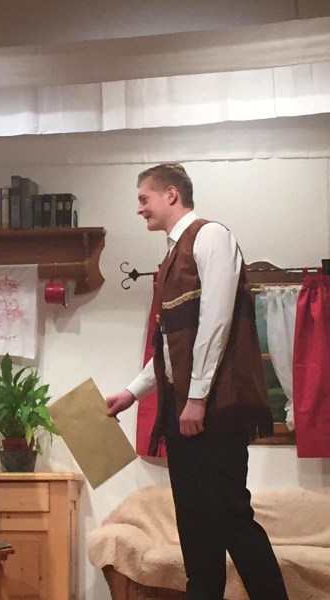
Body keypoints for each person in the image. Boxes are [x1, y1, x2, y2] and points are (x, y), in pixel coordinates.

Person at [106, 164, 288, 600]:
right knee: (195, 523)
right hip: (184, 410)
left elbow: (216, 323)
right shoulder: (171, 255)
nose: (139, 208)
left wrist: (197, 398)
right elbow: (170, 347)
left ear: (171, 194)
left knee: (230, 516)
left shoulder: (210, 236)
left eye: (144, 198)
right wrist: (132, 392)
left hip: (214, 411)